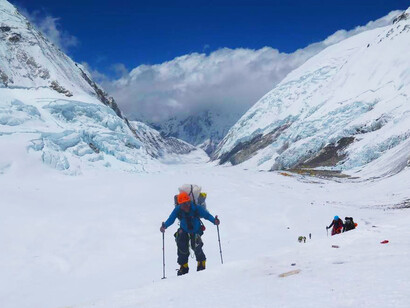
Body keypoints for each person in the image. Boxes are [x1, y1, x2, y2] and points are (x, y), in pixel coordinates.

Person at [160, 191, 220, 276]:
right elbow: (171, 219)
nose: (185, 206)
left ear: (189, 202)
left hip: (196, 230)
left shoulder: (196, 208)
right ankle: (184, 267)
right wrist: (164, 226)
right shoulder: (178, 209)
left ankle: (201, 264)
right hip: (184, 230)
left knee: (196, 246)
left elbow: (206, 215)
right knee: (182, 247)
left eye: (186, 203)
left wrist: (214, 221)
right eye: (183, 204)